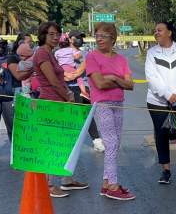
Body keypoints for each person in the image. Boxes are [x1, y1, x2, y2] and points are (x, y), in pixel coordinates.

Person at [33, 22, 89, 197]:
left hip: (59, 102)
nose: (55, 37)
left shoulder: (51, 53)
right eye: (51, 34)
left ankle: (66, 179)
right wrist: (68, 96)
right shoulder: (42, 53)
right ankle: (48, 185)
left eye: (57, 34)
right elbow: (53, 81)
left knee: (65, 142)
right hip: (51, 104)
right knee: (52, 144)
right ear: (43, 36)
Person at [86, 22, 135, 200]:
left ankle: (106, 184)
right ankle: (113, 185)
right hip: (102, 104)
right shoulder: (92, 57)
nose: (99, 39)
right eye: (97, 35)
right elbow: (99, 83)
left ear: (113, 39)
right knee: (111, 143)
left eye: (103, 36)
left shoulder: (121, 59)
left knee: (115, 143)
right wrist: (118, 80)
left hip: (118, 103)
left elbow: (130, 85)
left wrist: (113, 78)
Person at [145, 21, 176, 185]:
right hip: (157, 102)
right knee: (161, 134)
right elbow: (151, 77)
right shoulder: (152, 53)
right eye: (155, 30)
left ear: (169, 32)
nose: (156, 32)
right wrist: (166, 94)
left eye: (160, 30)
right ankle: (165, 169)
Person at [63, 31, 104, 152]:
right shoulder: (61, 53)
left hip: (83, 88)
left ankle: (97, 140)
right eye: (78, 37)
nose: (80, 39)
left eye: (82, 37)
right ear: (70, 39)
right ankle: (67, 142)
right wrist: (64, 75)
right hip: (66, 88)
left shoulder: (85, 53)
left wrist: (70, 75)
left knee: (87, 114)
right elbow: (57, 67)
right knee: (69, 115)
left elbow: (82, 70)